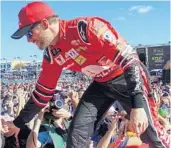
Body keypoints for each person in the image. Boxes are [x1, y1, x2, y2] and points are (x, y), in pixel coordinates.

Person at [7, 1, 166, 148]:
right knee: (76, 134)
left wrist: (137, 105)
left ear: (44, 24)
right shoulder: (51, 55)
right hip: (102, 84)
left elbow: (130, 60)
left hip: (127, 78)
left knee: (150, 134)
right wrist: (18, 123)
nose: (29, 40)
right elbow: (42, 94)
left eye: (29, 33)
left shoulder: (86, 28)